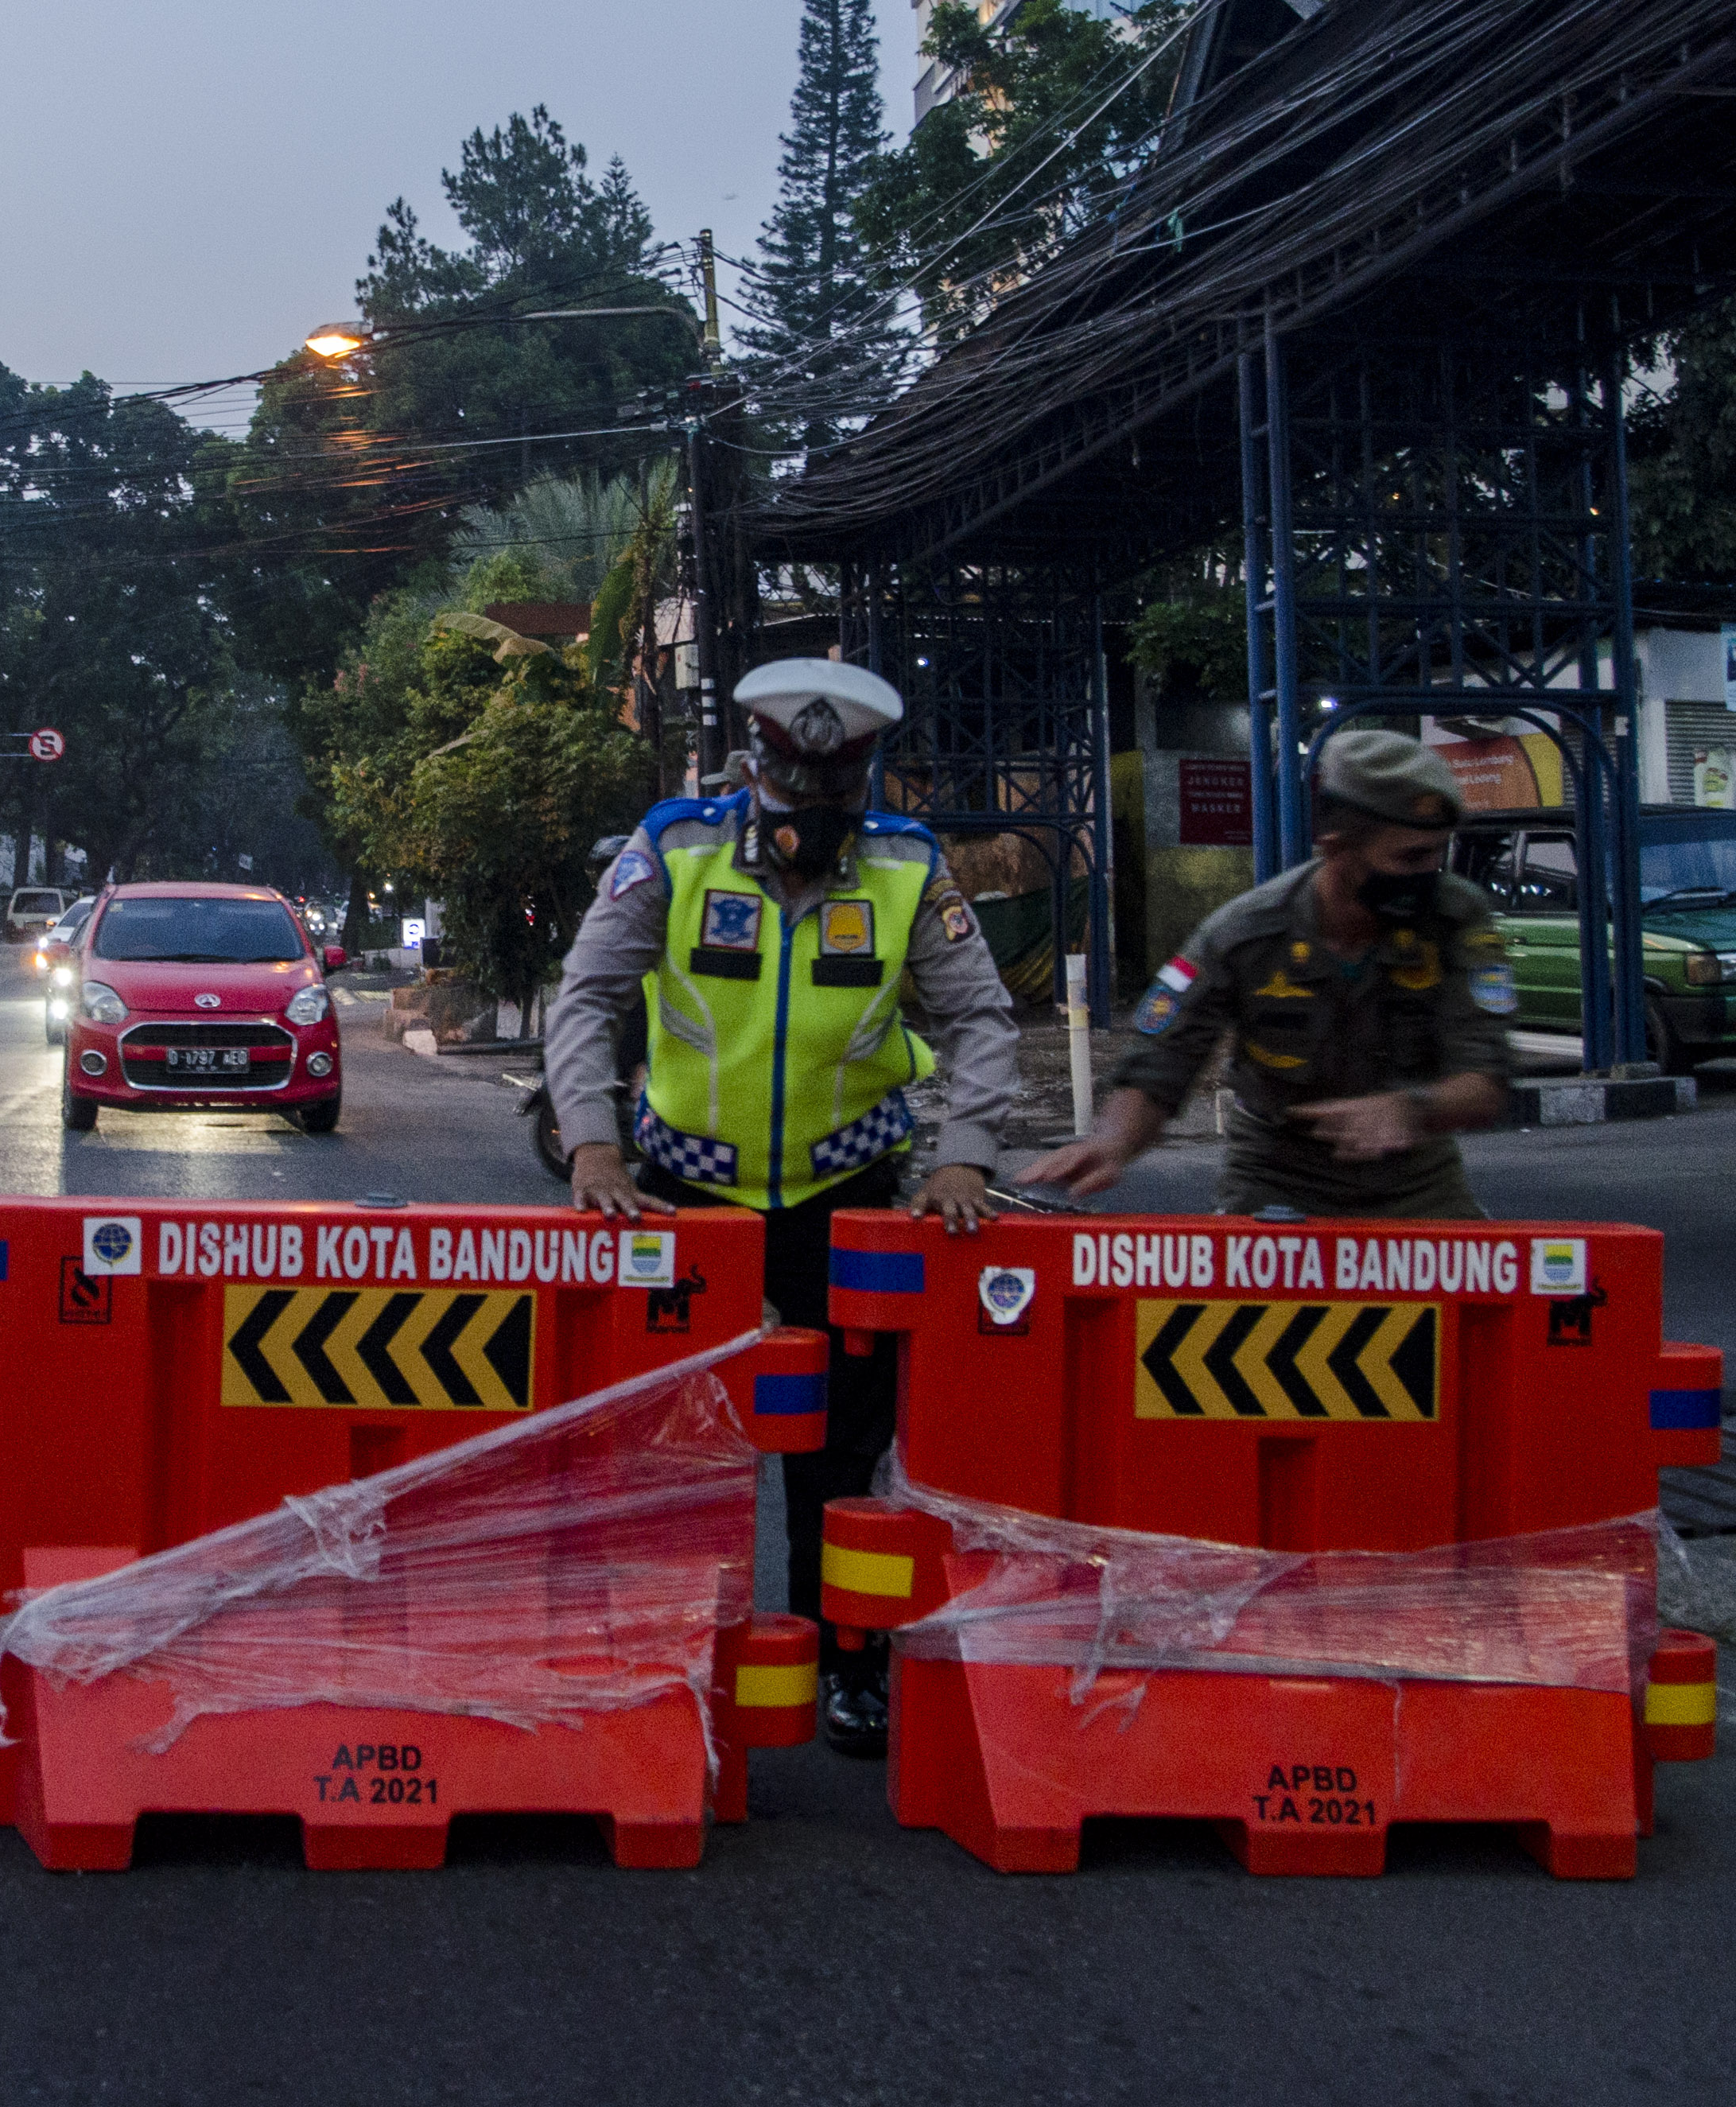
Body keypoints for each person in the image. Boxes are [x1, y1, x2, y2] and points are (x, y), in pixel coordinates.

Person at [544, 658, 1019, 1756]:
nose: (811, 812)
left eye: (834, 789)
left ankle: (848, 1662)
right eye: (792, 785)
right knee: (671, 1446)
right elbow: (589, 996)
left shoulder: (907, 866)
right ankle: (663, 1657)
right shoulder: (675, 846)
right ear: (754, 765)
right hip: (681, 1202)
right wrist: (592, 1143)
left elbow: (981, 1019)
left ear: (863, 779)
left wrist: (965, 1156)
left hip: (843, 1198)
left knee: (844, 1454)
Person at [1023, 729, 1513, 1216]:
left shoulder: (1457, 918)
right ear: (1336, 848)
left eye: (1438, 852)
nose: (1432, 872)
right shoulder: (1246, 934)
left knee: (1499, 1267)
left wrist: (1408, 1110)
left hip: (1418, 1185)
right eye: (1411, 857)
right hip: (1277, 1181)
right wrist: (1111, 1143)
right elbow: (1162, 1061)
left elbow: (1485, 1080)